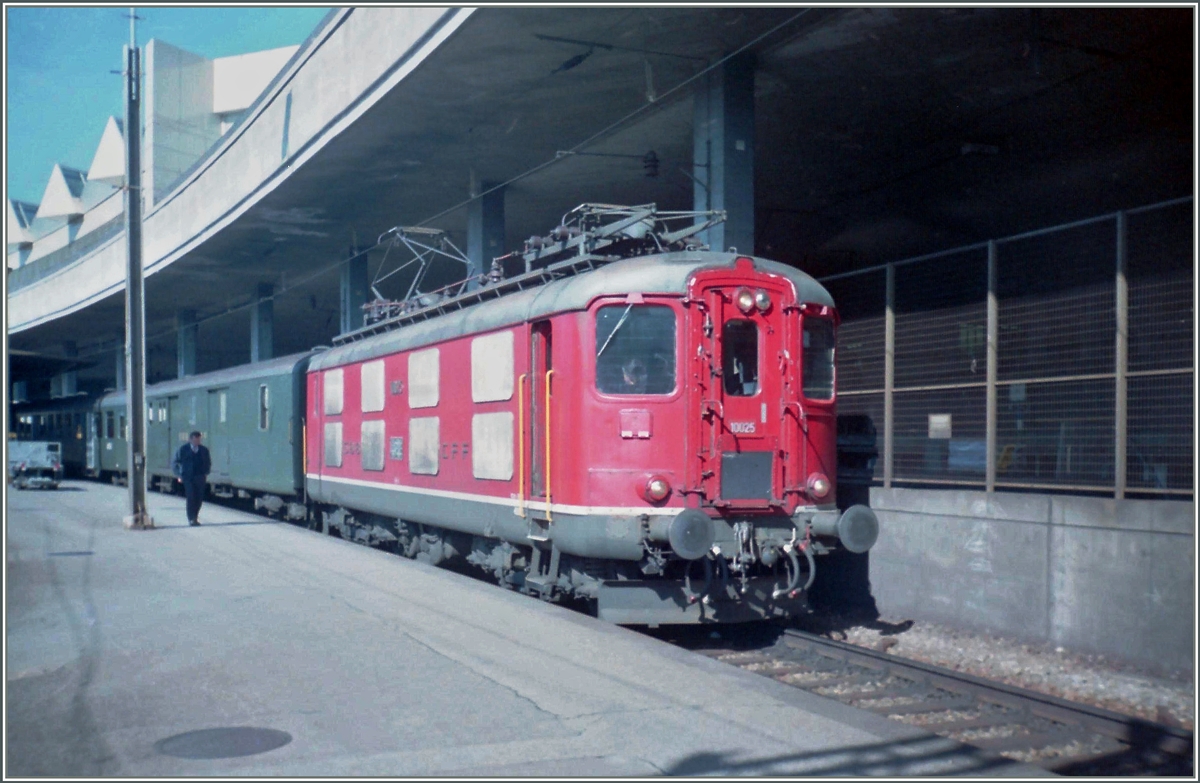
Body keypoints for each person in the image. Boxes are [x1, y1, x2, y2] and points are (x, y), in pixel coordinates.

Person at [173, 431, 211, 526]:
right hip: (187, 477)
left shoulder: (204, 450)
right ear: (190, 439)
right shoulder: (183, 449)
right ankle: (191, 518)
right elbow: (175, 463)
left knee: (199, 498)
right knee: (191, 497)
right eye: (195, 440)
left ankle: (195, 517)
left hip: (200, 477)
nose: (197, 442)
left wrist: (206, 472)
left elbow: (208, 462)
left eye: (198, 440)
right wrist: (179, 475)